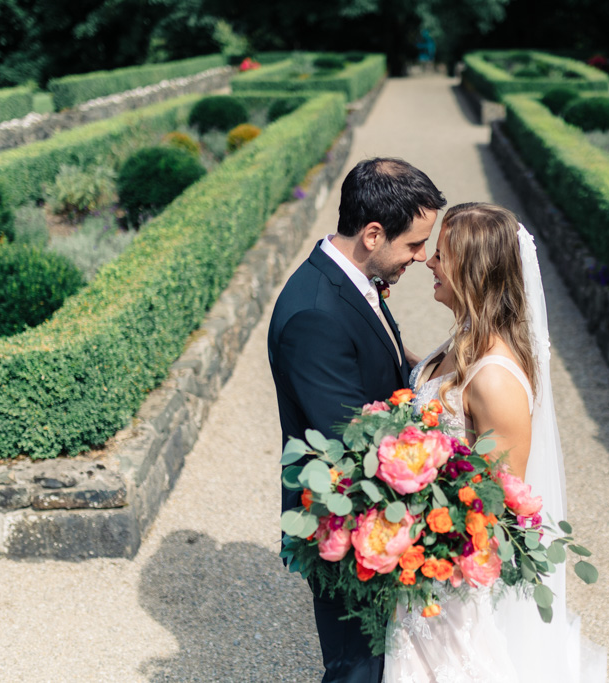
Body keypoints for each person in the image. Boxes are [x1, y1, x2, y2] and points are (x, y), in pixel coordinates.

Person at [384, 202, 606, 683]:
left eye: (441, 254)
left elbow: (498, 503)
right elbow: (440, 397)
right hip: (420, 565)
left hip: (447, 575)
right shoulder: (466, 340)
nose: (428, 262)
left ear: (472, 269)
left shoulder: (497, 380)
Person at [268, 157, 446, 683]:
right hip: (346, 522)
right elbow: (350, 440)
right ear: (373, 233)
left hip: (372, 517)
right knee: (357, 667)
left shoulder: (354, 276)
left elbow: (389, 364)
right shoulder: (315, 315)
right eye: (414, 244)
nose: (421, 256)